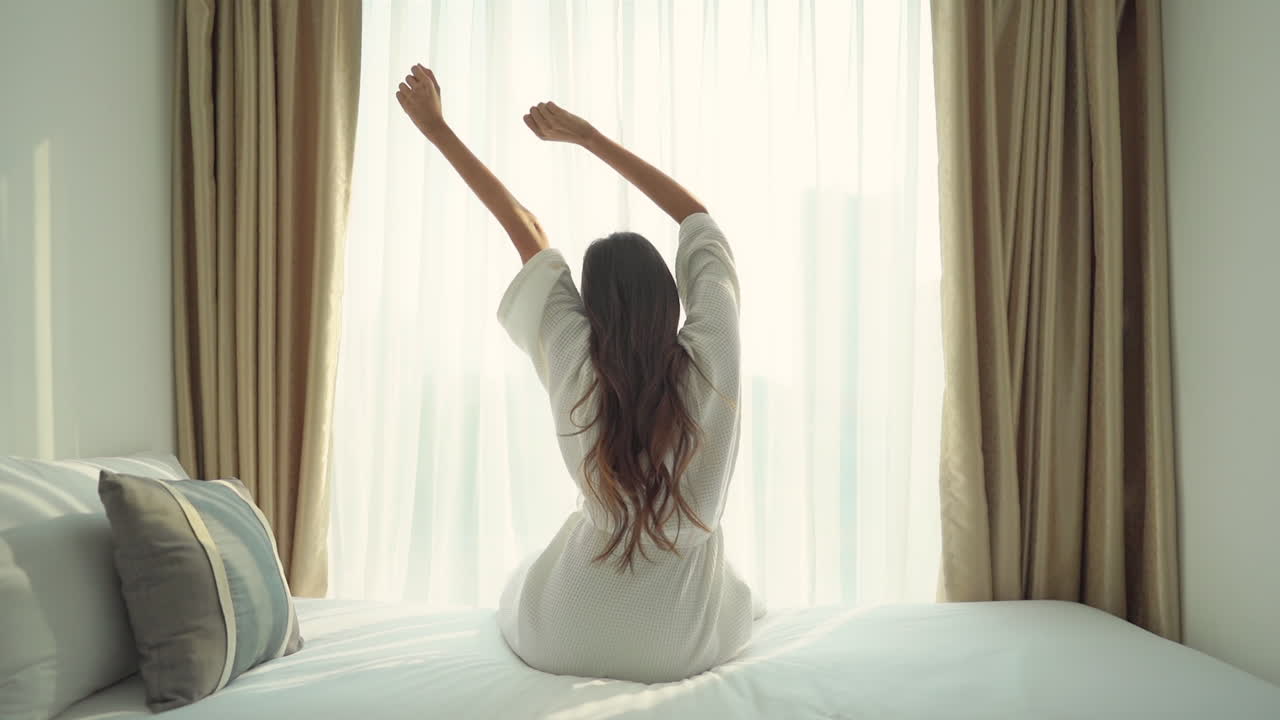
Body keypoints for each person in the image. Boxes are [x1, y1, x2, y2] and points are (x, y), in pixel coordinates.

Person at [396, 65, 762, 683]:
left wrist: (437, 129)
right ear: (670, 298)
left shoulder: (573, 354)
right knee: (745, 598)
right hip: (681, 642)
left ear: (590, 312)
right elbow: (698, 219)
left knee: (521, 579)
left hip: (564, 632)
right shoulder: (713, 355)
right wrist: (590, 139)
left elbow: (525, 228)